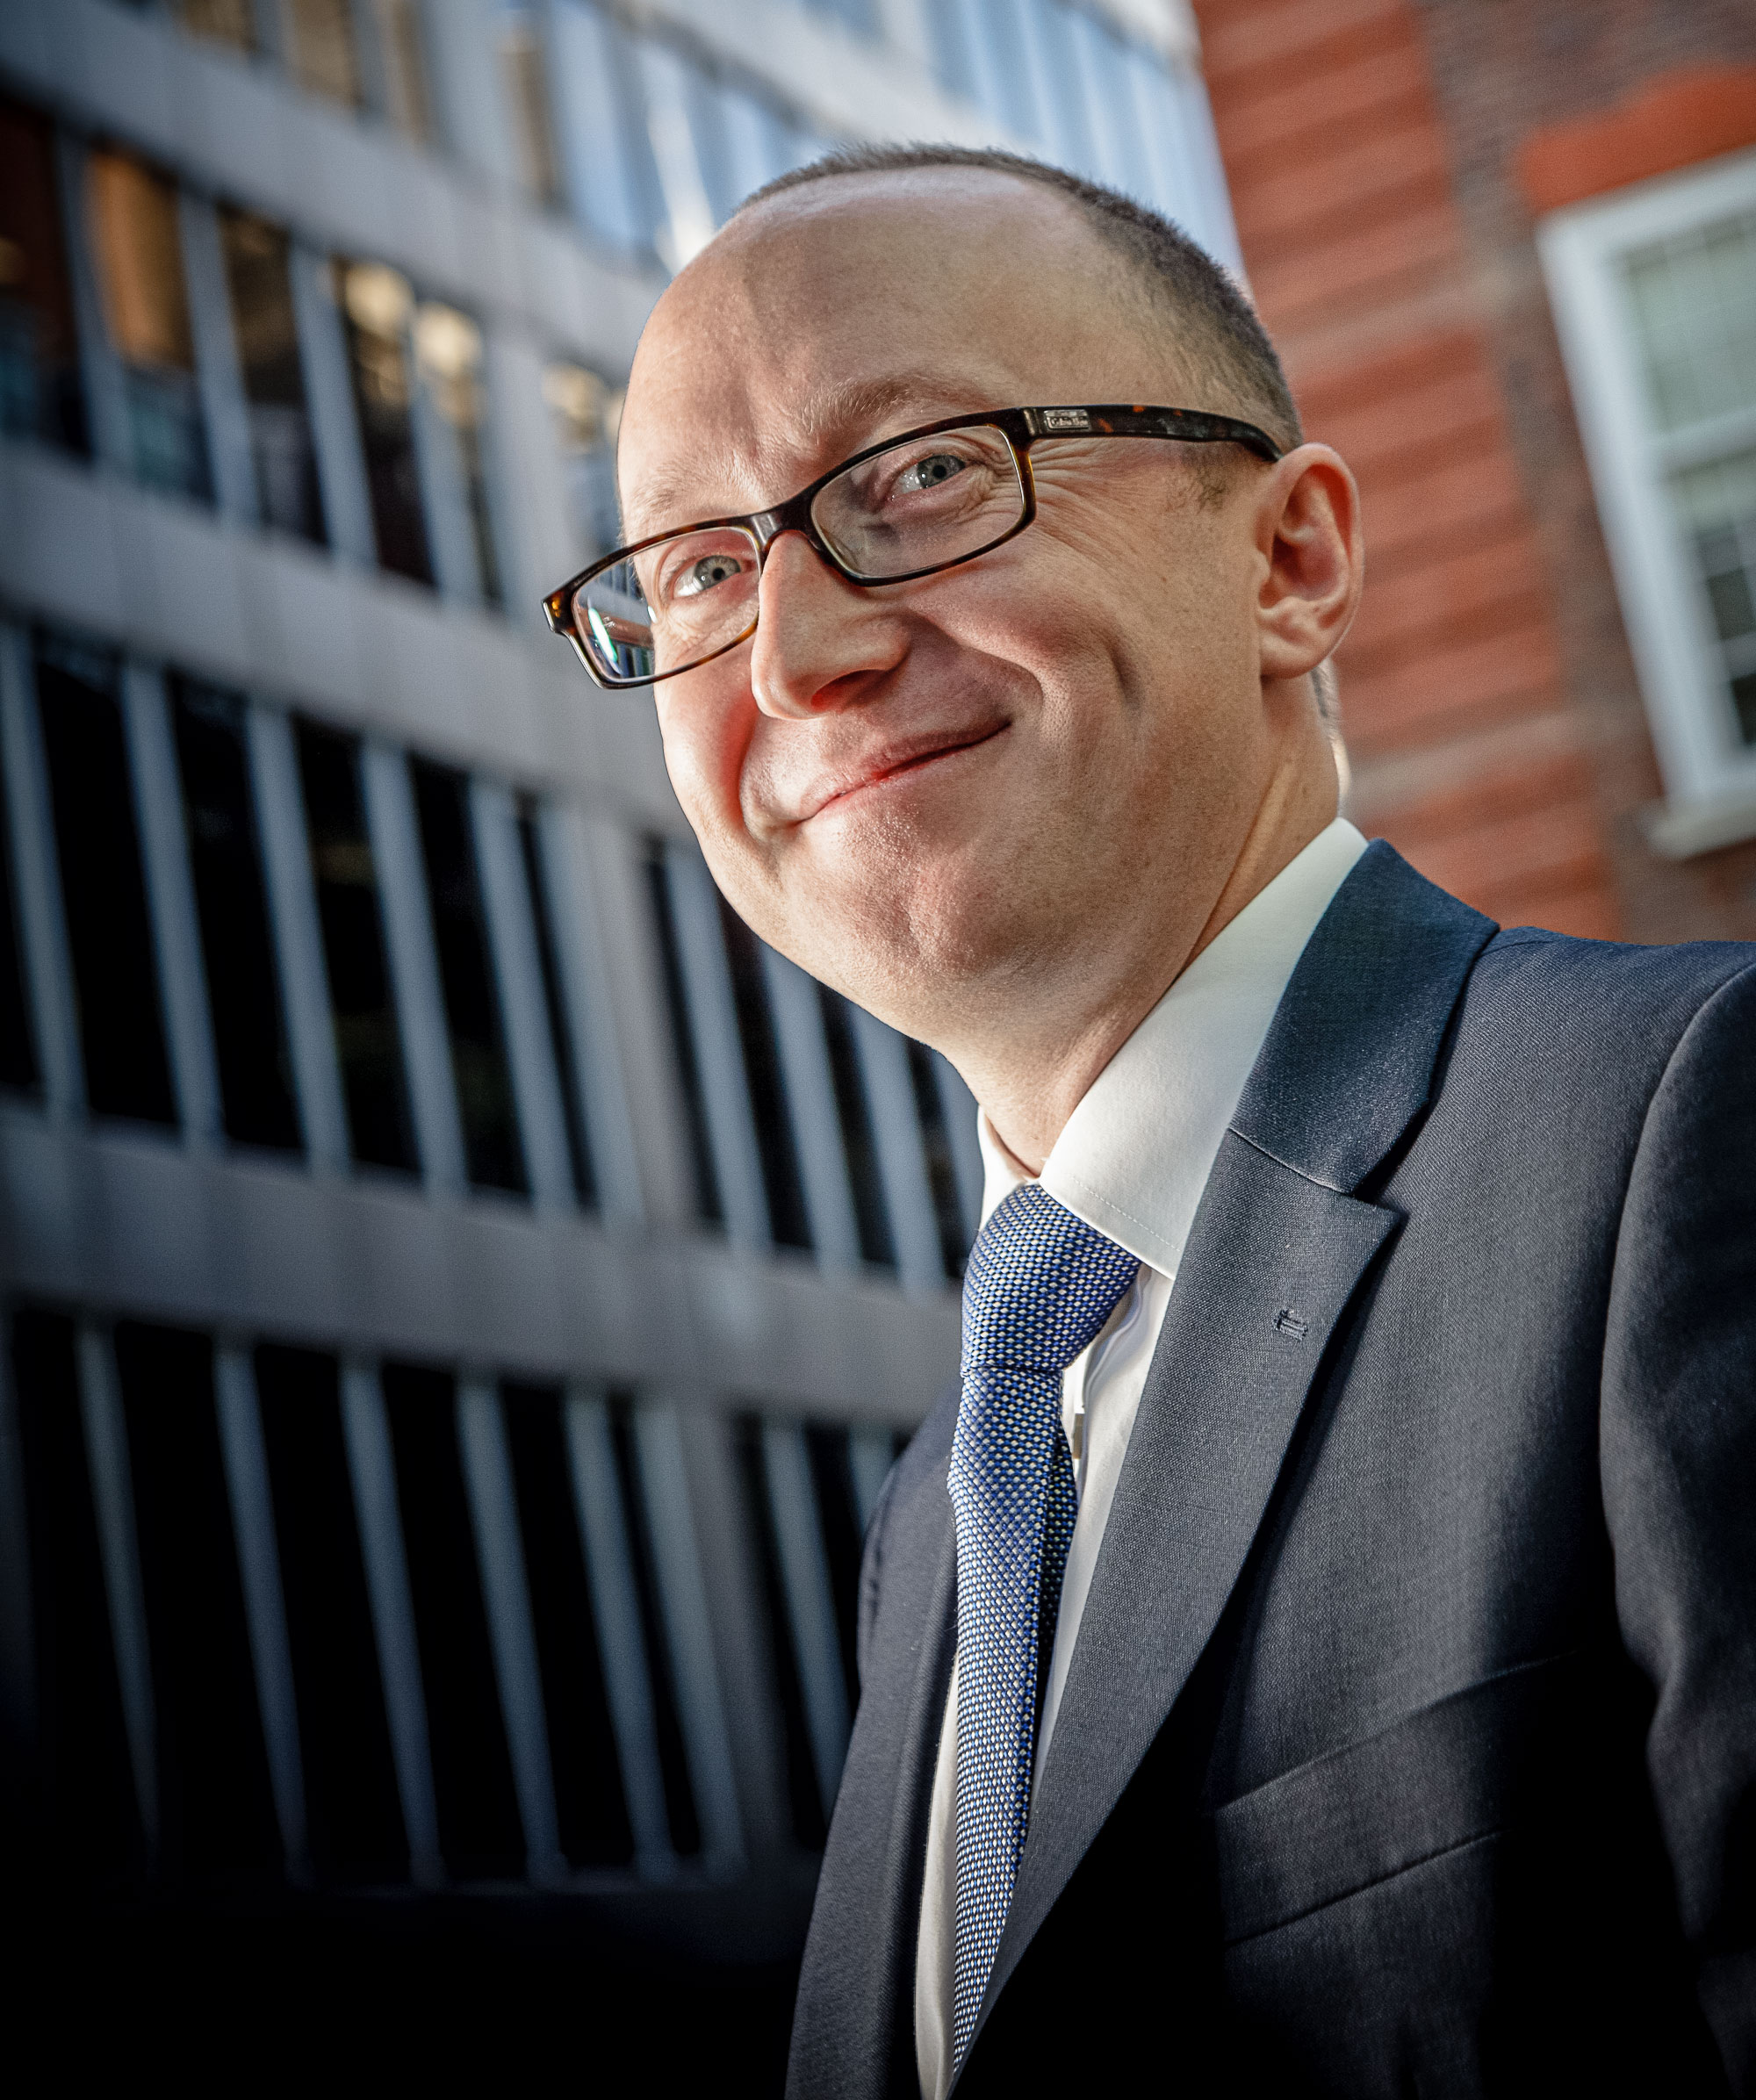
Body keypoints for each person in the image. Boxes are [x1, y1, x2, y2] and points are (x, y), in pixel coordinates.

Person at [543, 148, 1756, 2097]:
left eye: (921, 475)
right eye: (695, 566)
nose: (795, 658)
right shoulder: (940, 1506)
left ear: (1287, 564)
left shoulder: (1687, 1132)